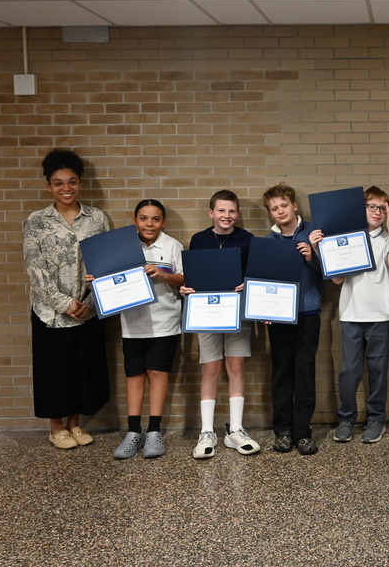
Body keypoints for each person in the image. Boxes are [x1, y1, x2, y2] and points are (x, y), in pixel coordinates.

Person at [23, 149, 111, 450]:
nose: (66, 188)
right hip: (51, 312)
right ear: (49, 186)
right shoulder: (37, 222)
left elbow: (108, 265)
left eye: (72, 181)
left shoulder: (97, 219)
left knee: (81, 370)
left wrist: (90, 304)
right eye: (58, 183)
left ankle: (74, 423)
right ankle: (56, 426)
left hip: (87, 309)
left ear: (81, 184)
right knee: (54, 370)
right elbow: (35, 268)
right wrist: (64, 304)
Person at [317, 187, 389, 445]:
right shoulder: (348, 238)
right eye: (372, 206)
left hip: (379, 314)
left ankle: (376, 418)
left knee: (378, 370)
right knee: (349, 371)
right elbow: (338, 279)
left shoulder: (386, 238)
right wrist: (325, 250)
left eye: (382, 208)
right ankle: (347, 418)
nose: (377, 212)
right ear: (361, 208)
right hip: (351, 313)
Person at [184, 190, 259, 459]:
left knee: (236, 365)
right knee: (211, 367)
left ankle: (235, 430)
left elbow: (255, 274)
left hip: (237, 312)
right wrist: (187, 289)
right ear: (211, 213)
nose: (227, 216)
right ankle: (207, 431)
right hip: (207, 313)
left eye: (232, 211)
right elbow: (193, 276)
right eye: (221, 211)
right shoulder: (199, 239)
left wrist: (247, 284)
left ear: (237, 213)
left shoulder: (247, 239)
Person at [110, 200, 184, 460]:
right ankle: (133, 432)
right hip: (132, 323)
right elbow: (111, 279)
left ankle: (154, 431)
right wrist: (97, 280)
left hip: (165, 321)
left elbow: (185, 278)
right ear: (135, 221)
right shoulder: (123, 248)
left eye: (155, 219)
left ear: (163, 222)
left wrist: (163, 275)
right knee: (134, 375)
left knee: (157, 373)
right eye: (143, 218)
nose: (149, 224)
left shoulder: (173, 246)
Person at [263, 183, 323, 456]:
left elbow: (334, 273)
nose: (280, 211)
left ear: (294, 206)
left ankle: (303, 432)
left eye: (284, 205)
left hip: (308, 313)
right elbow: (262, 280)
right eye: (274, 208)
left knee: (305, 372)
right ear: (270, 214)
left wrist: (312, 256)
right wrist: (262, 309)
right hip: (279, 318)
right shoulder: (268, 241)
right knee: (282, 373)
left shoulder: (314, 233)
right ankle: (284, 432)